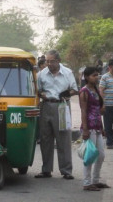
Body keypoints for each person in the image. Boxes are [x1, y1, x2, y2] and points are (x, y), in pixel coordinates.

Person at [36, 49, 78, 180]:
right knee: (45, 139)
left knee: (64, 138)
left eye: (52, 61)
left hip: (62, 106)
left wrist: (67, 93)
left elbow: (74, 89)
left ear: (58, 60)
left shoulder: (67, 73)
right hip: (46, 106)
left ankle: (66, 170)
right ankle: (46, 169)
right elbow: (38, 90)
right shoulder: (41, 74)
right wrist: (41, 94)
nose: (49, 64)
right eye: (47, 61)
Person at [79, 67, 110, 191]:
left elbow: (98, 111)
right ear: (86, 77)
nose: (96, 77)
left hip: (97, 126)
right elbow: (83, 111)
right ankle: (87, 183)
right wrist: (85, 130)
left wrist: (101, 127)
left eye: (97, 75)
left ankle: (95, 180)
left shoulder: (95, 90)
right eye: (93, 75)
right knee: (90, 156)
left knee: (101, 155)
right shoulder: (84, 91)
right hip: (89, 127)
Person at [99, 59, 113, 149]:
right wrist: (102, 104)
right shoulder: (105, 77)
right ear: (110, 67)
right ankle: (109, 143)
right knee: (108, 124)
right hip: (108, 104)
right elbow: (101, 90)